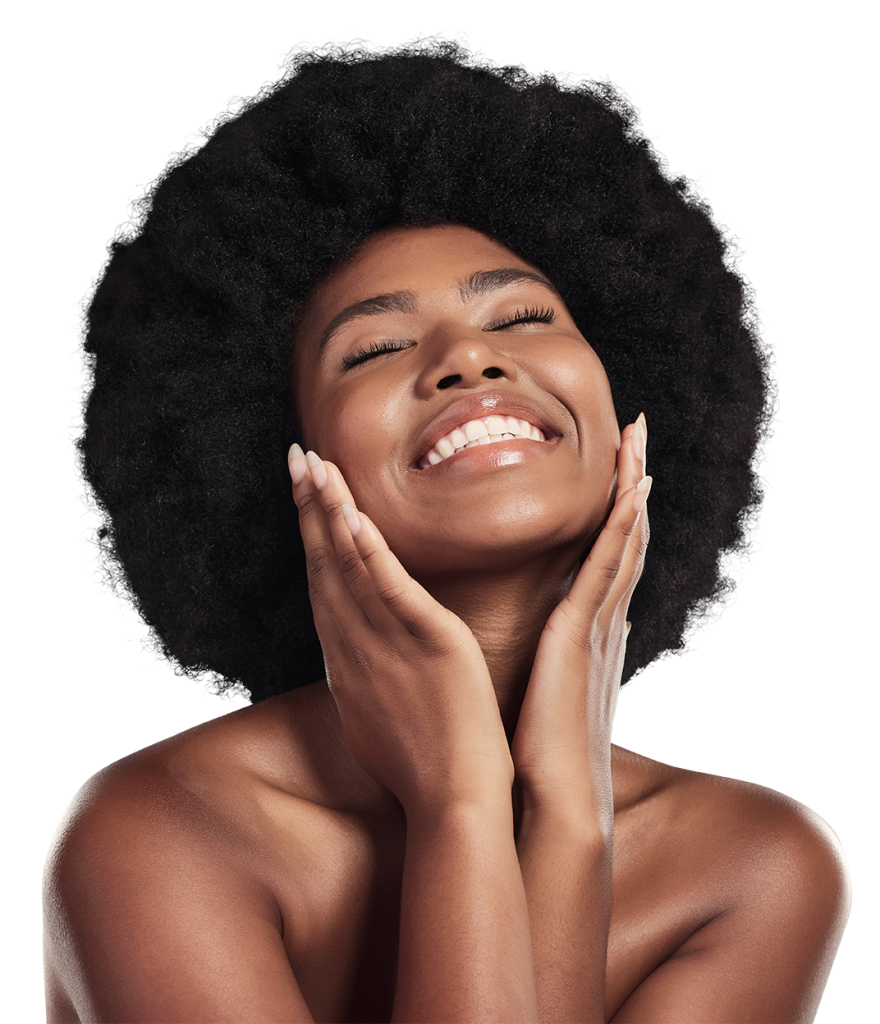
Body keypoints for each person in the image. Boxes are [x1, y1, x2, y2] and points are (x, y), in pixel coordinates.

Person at [44, 32, 850, 1022]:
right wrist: (464, 802)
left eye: (522, 319)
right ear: (274, 462)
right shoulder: (166, 831)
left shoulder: (752, 868)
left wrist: (566, 814)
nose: (468, 357)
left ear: (633, 403)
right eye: (373, 346)